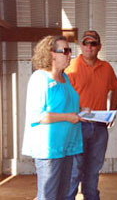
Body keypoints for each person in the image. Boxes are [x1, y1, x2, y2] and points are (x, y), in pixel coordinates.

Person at [22, 35, 83, 200]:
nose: (70, 54)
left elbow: (68, 106)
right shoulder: (40, 78)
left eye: (70, 50)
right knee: (48, 196)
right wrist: (67, 117)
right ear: (51, 54)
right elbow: (37, 115)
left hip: (66, 146)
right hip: (49, 149)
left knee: (63, 195)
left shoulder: (66, 78)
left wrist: (83, 111)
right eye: (65, 51)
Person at [65, 30, 117, 200]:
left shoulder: (106, 68)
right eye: (86, 43)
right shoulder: (71, 67)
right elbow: (63, 96)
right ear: (81, 46)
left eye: (93, 43)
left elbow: (116, 88)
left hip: (99, 126)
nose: (89, 47)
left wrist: (112, 112)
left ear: (99, 47)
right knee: (74, 170)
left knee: (93, 170)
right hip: (77, 125)